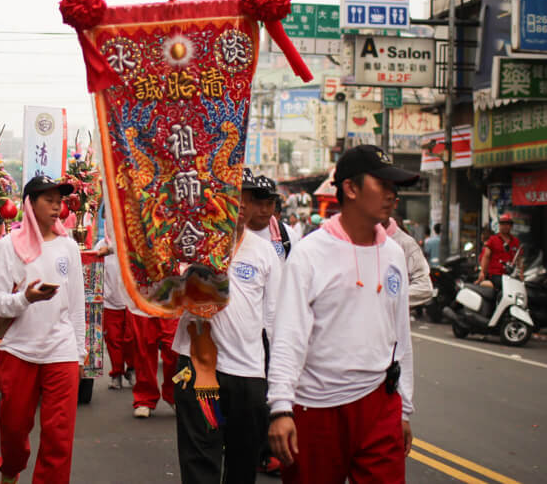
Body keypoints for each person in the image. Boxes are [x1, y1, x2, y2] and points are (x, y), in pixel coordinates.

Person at [267, 145, 415, 483]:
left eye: (395, 188)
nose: (393, 195)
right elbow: (288, 336)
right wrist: (280, 407)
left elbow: (401, 336)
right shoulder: (309, 255)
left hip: (380, 402)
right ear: (350, 188)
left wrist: (404, 408)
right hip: (316, 407)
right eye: (384, 185)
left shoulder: (394, 254)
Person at [172, 192, 283, 484]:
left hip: (247, 373)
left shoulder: (265, 252)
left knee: (242, 463)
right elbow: (162, 297)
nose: (242, 204)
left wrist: (279, 380)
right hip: (197, 368)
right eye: (234, 195)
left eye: (247, 199)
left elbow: (274, 320)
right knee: (200, 461)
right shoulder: (190, 243)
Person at [0, 176, 85, 484]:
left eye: (60, 200)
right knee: (14, 429)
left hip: (61, 351)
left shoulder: (69, 246)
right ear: (29, 205)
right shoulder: (8, 246)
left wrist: (80, 352)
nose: (57, 206)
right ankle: (11, 469)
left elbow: (76, 305)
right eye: (49, 200)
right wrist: (26, 298)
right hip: (19, 350)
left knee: (59, 438)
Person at [97, 230, 134, 390]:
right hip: (110, 303)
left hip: (130, 302)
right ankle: (117, 373)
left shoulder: (131, 241)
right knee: (113, 340)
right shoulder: (101, 245)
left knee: (131, 339)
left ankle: (131, 369)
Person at [382, 202, 433, 309]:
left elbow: (424, 287)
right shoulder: (354, 238)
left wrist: (385, 299)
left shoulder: (405, 243)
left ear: (394, 203)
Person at [240, 170, 297, 260]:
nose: (264, 210)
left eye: (269, 203)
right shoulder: (235, 234)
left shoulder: (287, 235)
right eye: (259, 203)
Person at [478, 214, 522, 289]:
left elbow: (519, 260)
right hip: (496, 274)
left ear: (511, 226)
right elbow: (486, 256)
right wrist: (482, 272)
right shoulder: (493, 240)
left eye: (507, 224)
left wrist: (521, 275)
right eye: (503, 224)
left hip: (511, 275)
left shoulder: (515, 241)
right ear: (499, 225)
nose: (505, 226)